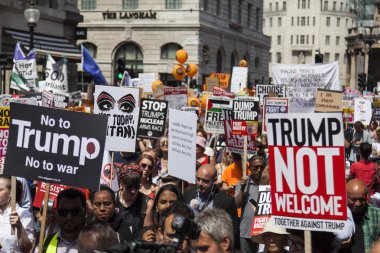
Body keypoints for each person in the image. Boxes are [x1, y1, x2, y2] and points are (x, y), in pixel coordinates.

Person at [184, 164, 240, 249]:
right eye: (198, 179)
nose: (200, 183)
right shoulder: (188, 192)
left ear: (215, 180)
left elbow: (234, 229)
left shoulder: (227, 200)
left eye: (205, 181)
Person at [339, 179, 380, 253]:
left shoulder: (377, 214)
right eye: (353, 199)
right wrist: (337, 243)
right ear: (345, 196)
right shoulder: (336, 214)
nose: (358, 204)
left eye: (362, 199)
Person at [40, 188, 86, 253]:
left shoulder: (97, 245)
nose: (69, 217)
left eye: (75, 212)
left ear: (84, 212)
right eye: (63, 212)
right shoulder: (45, 243)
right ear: (57, 212)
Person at [235, 155, 265, 253]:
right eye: (255, 167)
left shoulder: (270, 183)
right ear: (250, 168)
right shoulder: (242, 183)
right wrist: (242, 189)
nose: (259, 170)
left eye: (262, 167)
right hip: (247, 231)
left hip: (265, 232)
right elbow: (237, 204)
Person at [0, 175, 34, 253]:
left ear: (12, 192)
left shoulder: (25, 215)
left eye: (0, 189)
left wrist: (19, 227)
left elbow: (26, 249)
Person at [116, 169, 154, 241]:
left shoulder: (147, 203)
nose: (133, 191)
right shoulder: (112, 199)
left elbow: (147, 234)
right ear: (121, 184)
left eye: (136, 187)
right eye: (129, 187)